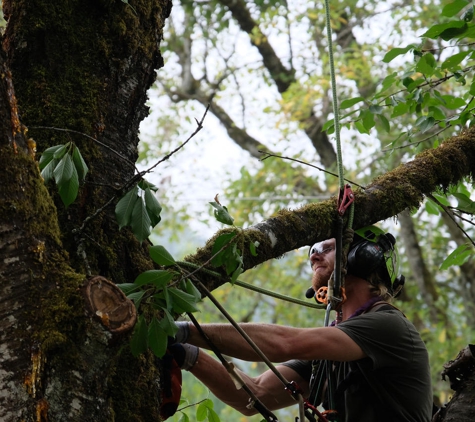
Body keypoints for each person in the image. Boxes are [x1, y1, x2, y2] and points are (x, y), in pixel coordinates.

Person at [168, 226, 433, 422]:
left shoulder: (387, 326)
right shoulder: (328, 354)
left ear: (363, 255)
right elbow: (254, 396)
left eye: (327, 249)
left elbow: (286, 344)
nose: (314, 257)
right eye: (312, 252)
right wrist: (186, 354)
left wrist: (185, 331)